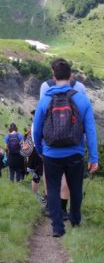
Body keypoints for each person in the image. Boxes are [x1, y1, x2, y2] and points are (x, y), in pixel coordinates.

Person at [33, 58, 98, 237]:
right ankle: (75, 219)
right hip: (75, 153)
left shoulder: (45, 100)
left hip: (51, 153)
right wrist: (94, 158)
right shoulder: (82, 100)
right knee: (75, 187)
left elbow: (36, 130)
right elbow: (90, 131)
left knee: (52, 189)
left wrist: (40, 149)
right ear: (71, 76)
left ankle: (57, 228)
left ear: (54, 77)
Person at [40, 75, 88, 220]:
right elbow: (84, 116)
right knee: (68, 175)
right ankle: (63, 208)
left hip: (51, 140)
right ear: (70, 74)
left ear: (54, 73)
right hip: (73, 139)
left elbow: (42, 113)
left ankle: (50, 205)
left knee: (48, 172)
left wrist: (40, 141)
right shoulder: (80, 88)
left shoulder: (46, 86)